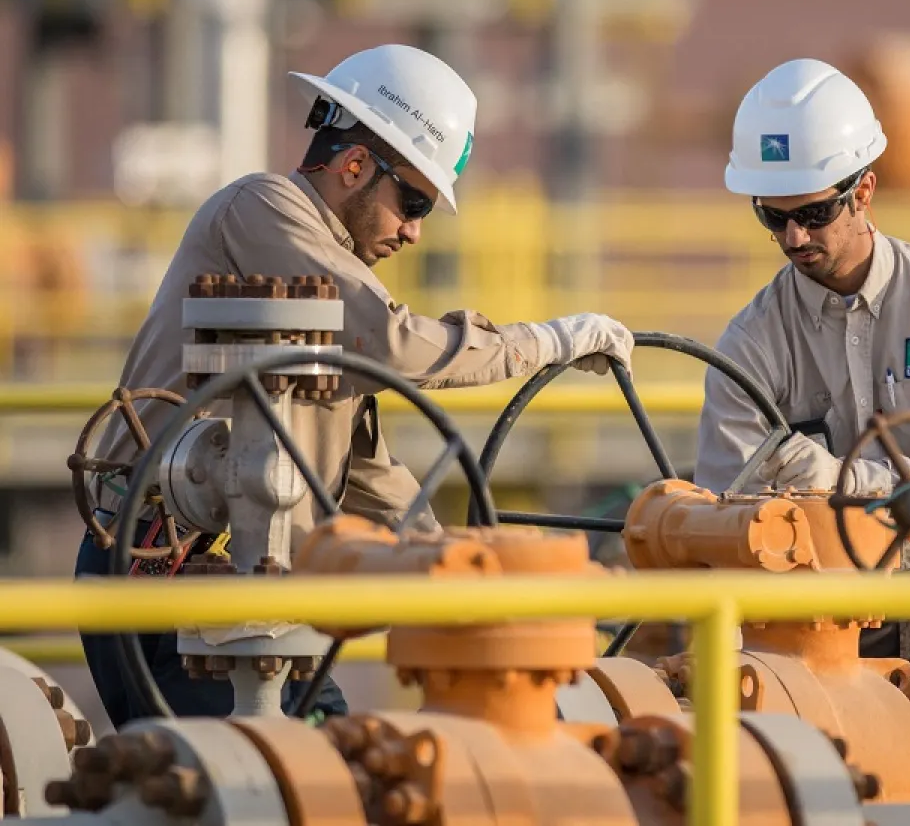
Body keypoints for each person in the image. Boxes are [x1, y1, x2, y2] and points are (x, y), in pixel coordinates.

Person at [76, 44, 635, 726]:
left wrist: (468, 575)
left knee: (340, 760)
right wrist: (548, 343)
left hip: (244, 601)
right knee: (262, 774)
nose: (415, 231)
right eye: (414, 201)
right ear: (354, 166)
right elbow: (393, 343)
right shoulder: (261, 209)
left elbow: (362, 474)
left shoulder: (323, 286)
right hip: (158, 577)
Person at [694, 57, 910, 657]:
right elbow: (722, 520)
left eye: (814, 214)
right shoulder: (749, 345)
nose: (794, 238)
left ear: (863, 191)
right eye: (773, 216)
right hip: (816, 623)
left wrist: (841, 482)